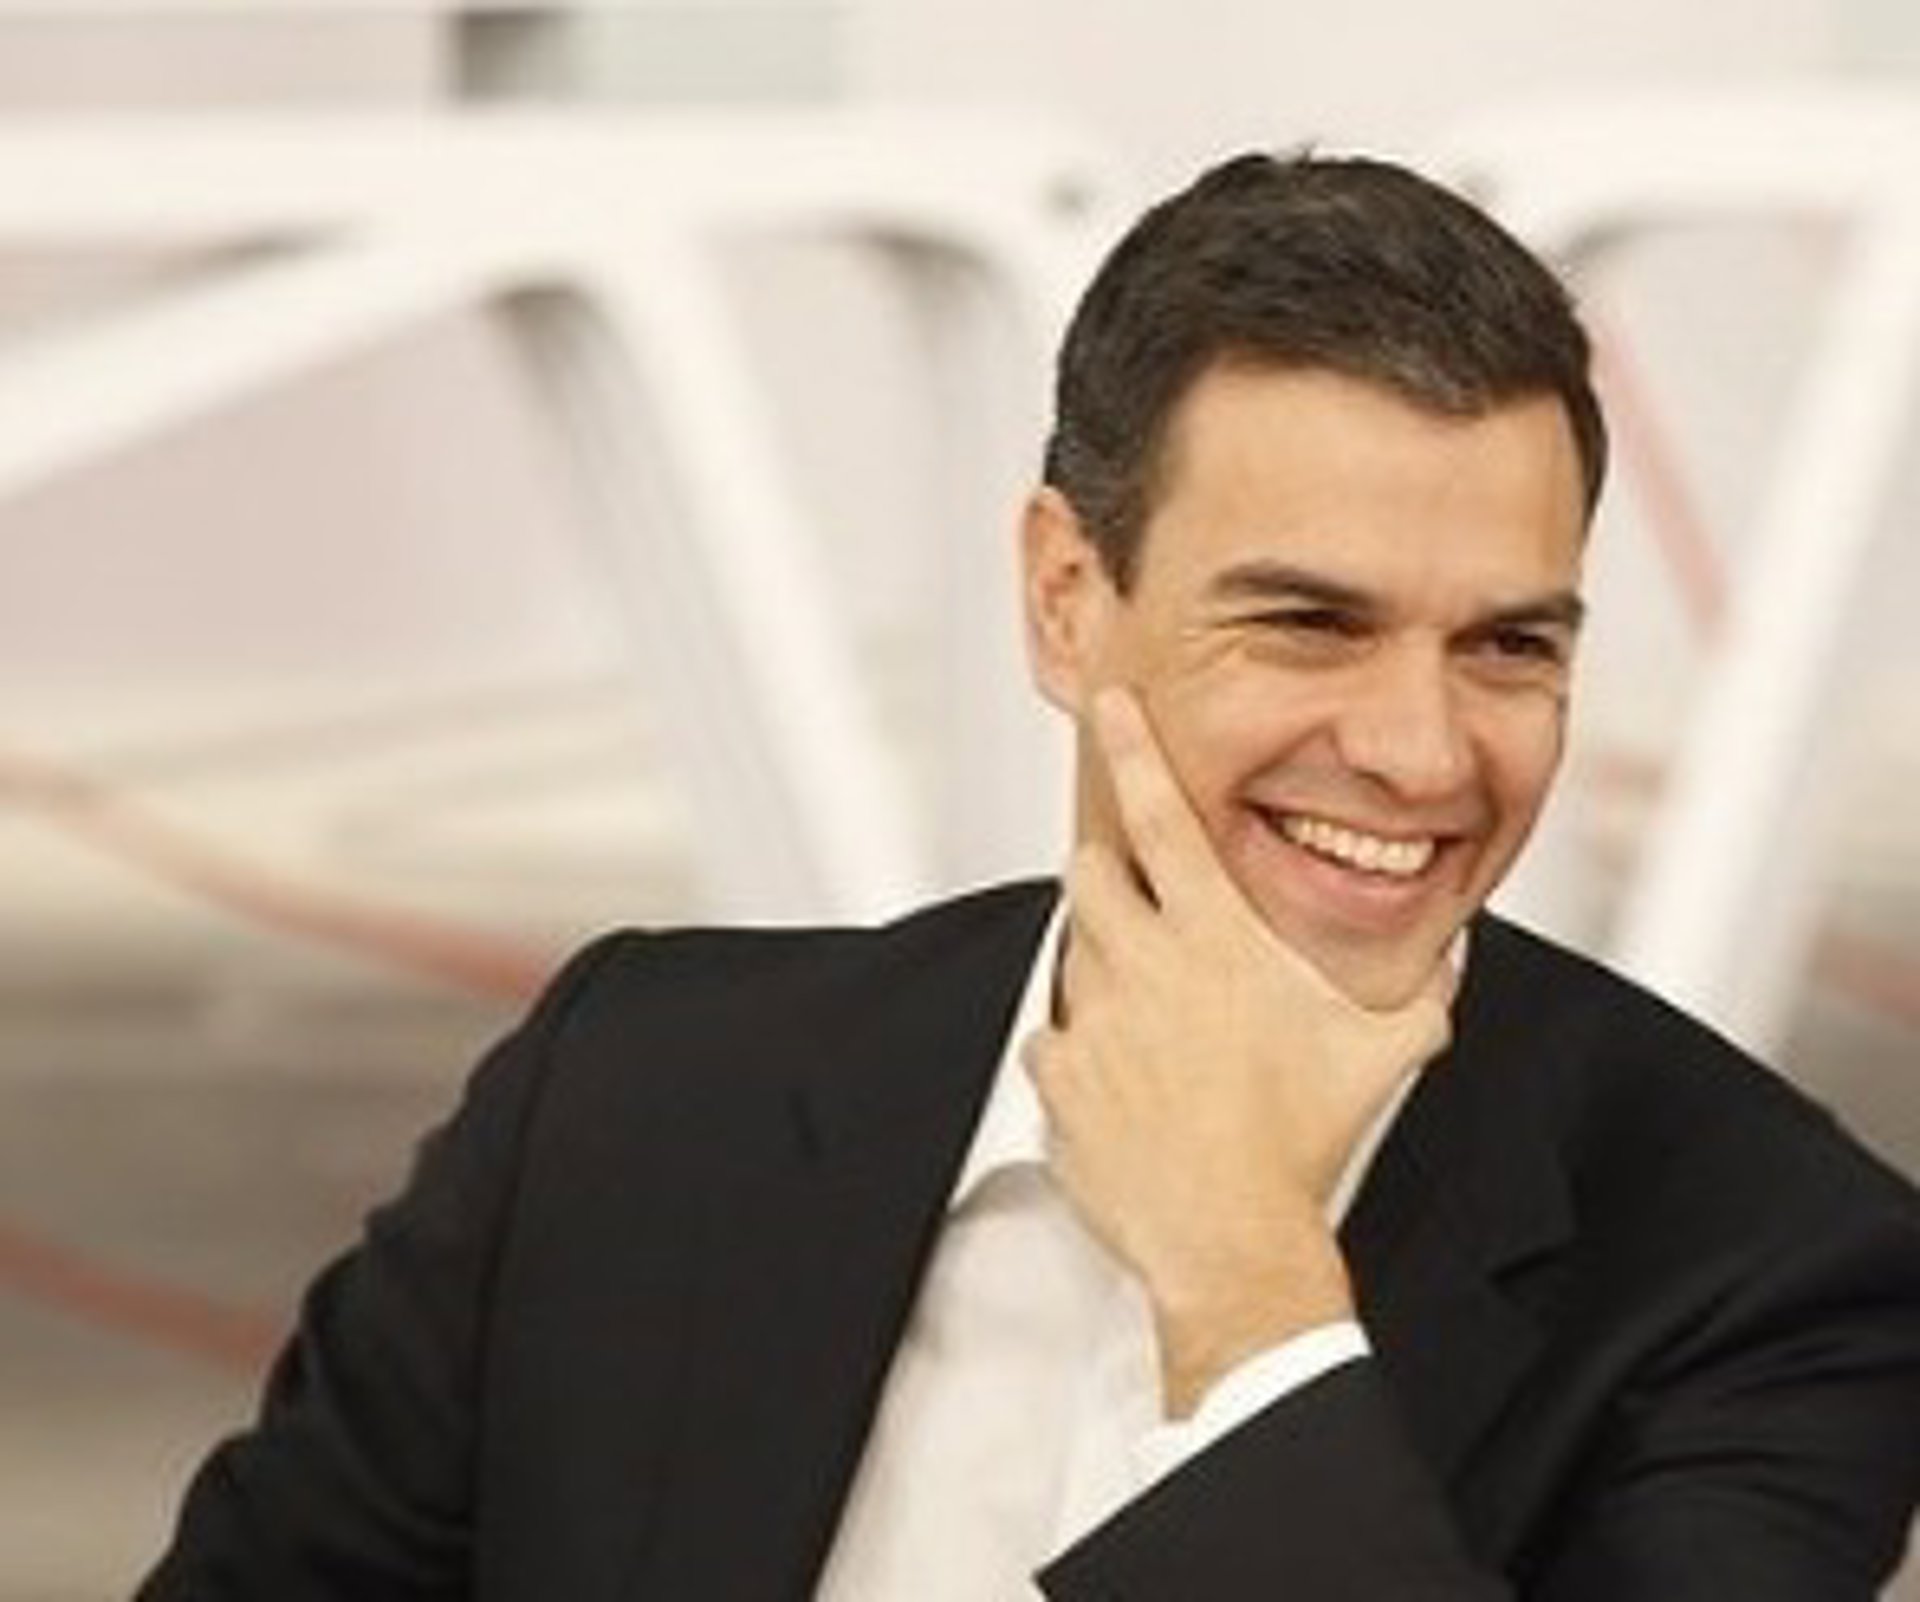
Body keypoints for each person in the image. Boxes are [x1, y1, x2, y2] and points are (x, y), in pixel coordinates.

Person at [139, 152, 1920, 1600]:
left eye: (1508, 646)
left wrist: (1247, 1284)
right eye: (1309, 623)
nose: (1422, 751)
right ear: (1068, 598)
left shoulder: (1769, 1276)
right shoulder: (631, 1091)